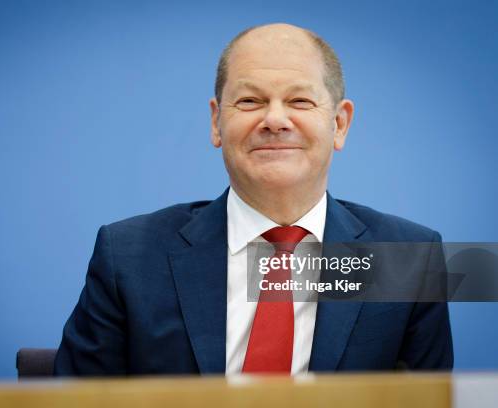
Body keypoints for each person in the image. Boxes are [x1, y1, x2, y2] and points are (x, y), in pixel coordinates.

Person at [54, 23, 453, 376]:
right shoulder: (127, 256)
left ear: (340, 124)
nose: (275, 120)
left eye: (300, 101)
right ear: (216, 122)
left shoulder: (407, 258)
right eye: (250, 101)